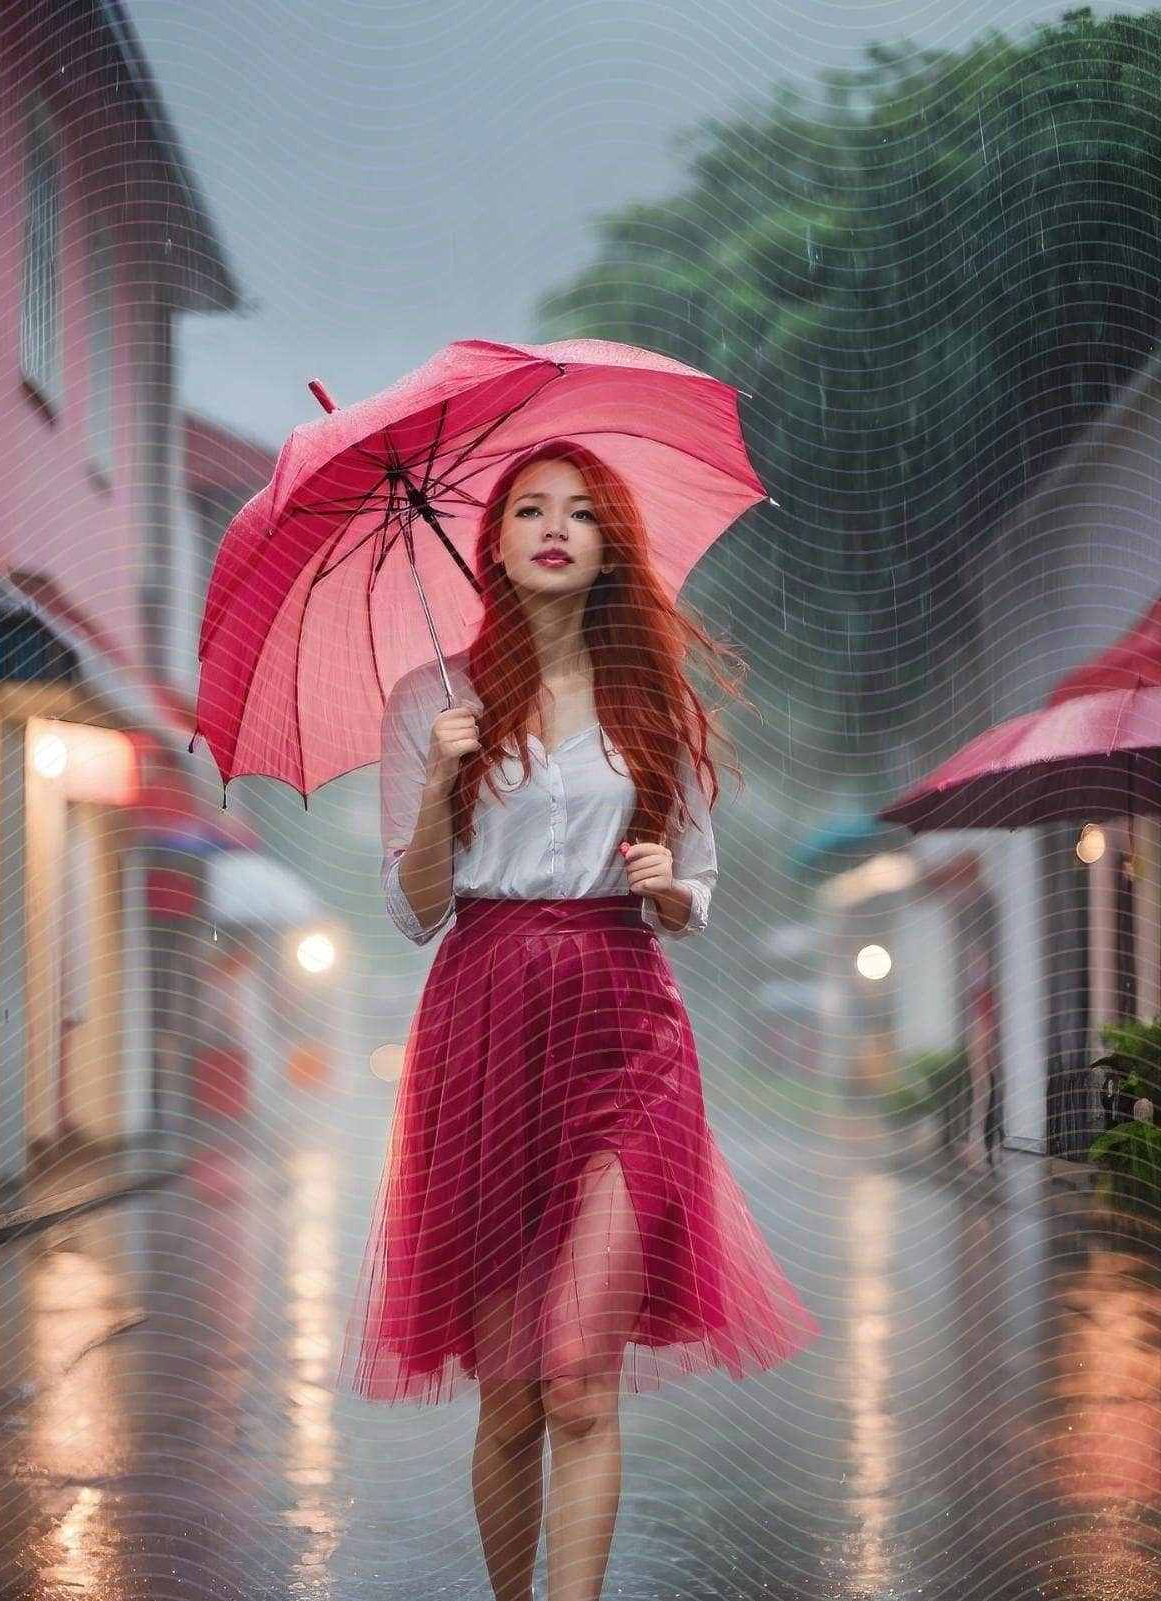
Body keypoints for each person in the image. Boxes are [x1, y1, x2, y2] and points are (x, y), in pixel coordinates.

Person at [336, 439, 822, 1601]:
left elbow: (694, 890)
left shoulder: (653, 699)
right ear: (494, 544)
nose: (555, 527)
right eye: (529, 510)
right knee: (509, 1391)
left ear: (610, 548)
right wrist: (446, 786)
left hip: (626, 1020)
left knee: (574, 1375)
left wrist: (664, 887)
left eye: (582, 513)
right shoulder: (431, 702)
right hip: (485, 1019)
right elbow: (413, 911)